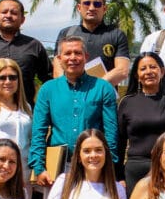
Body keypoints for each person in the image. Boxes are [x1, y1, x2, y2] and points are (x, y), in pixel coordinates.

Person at [30, 35, 119, 186]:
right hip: (58, 167)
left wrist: (109, 167)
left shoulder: (103, 88)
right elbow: (39, 131)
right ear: (59, 58)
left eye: (77, 53)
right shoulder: (48, 89)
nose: (73, 58)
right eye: (67, 53)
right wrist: (39, 168)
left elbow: (111, 132)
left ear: (86, 57)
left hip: (94, 165)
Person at [116, 52, 165, 190]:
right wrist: (118, 177)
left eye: (153, 67)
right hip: (135, 171)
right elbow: (120, 142)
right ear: (136, 75)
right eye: (143, 68)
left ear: (162, 71)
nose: (148, 72)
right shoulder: (126, 102)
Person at [54, 0, 131, 87]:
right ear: (79, 8)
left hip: (103, 99)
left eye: (97, 4)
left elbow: (122, 71)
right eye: (86, 3)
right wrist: (71, 90)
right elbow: (57, 70)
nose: (91, 8)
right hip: (71, 98)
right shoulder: (66, 34)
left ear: (104, 9)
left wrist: (93, 89)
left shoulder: (116, 35)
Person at [0, 57, 33, 178]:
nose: (8, 81)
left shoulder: (26, 107)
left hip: (23, 172)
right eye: (2, 78)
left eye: (13, 77)